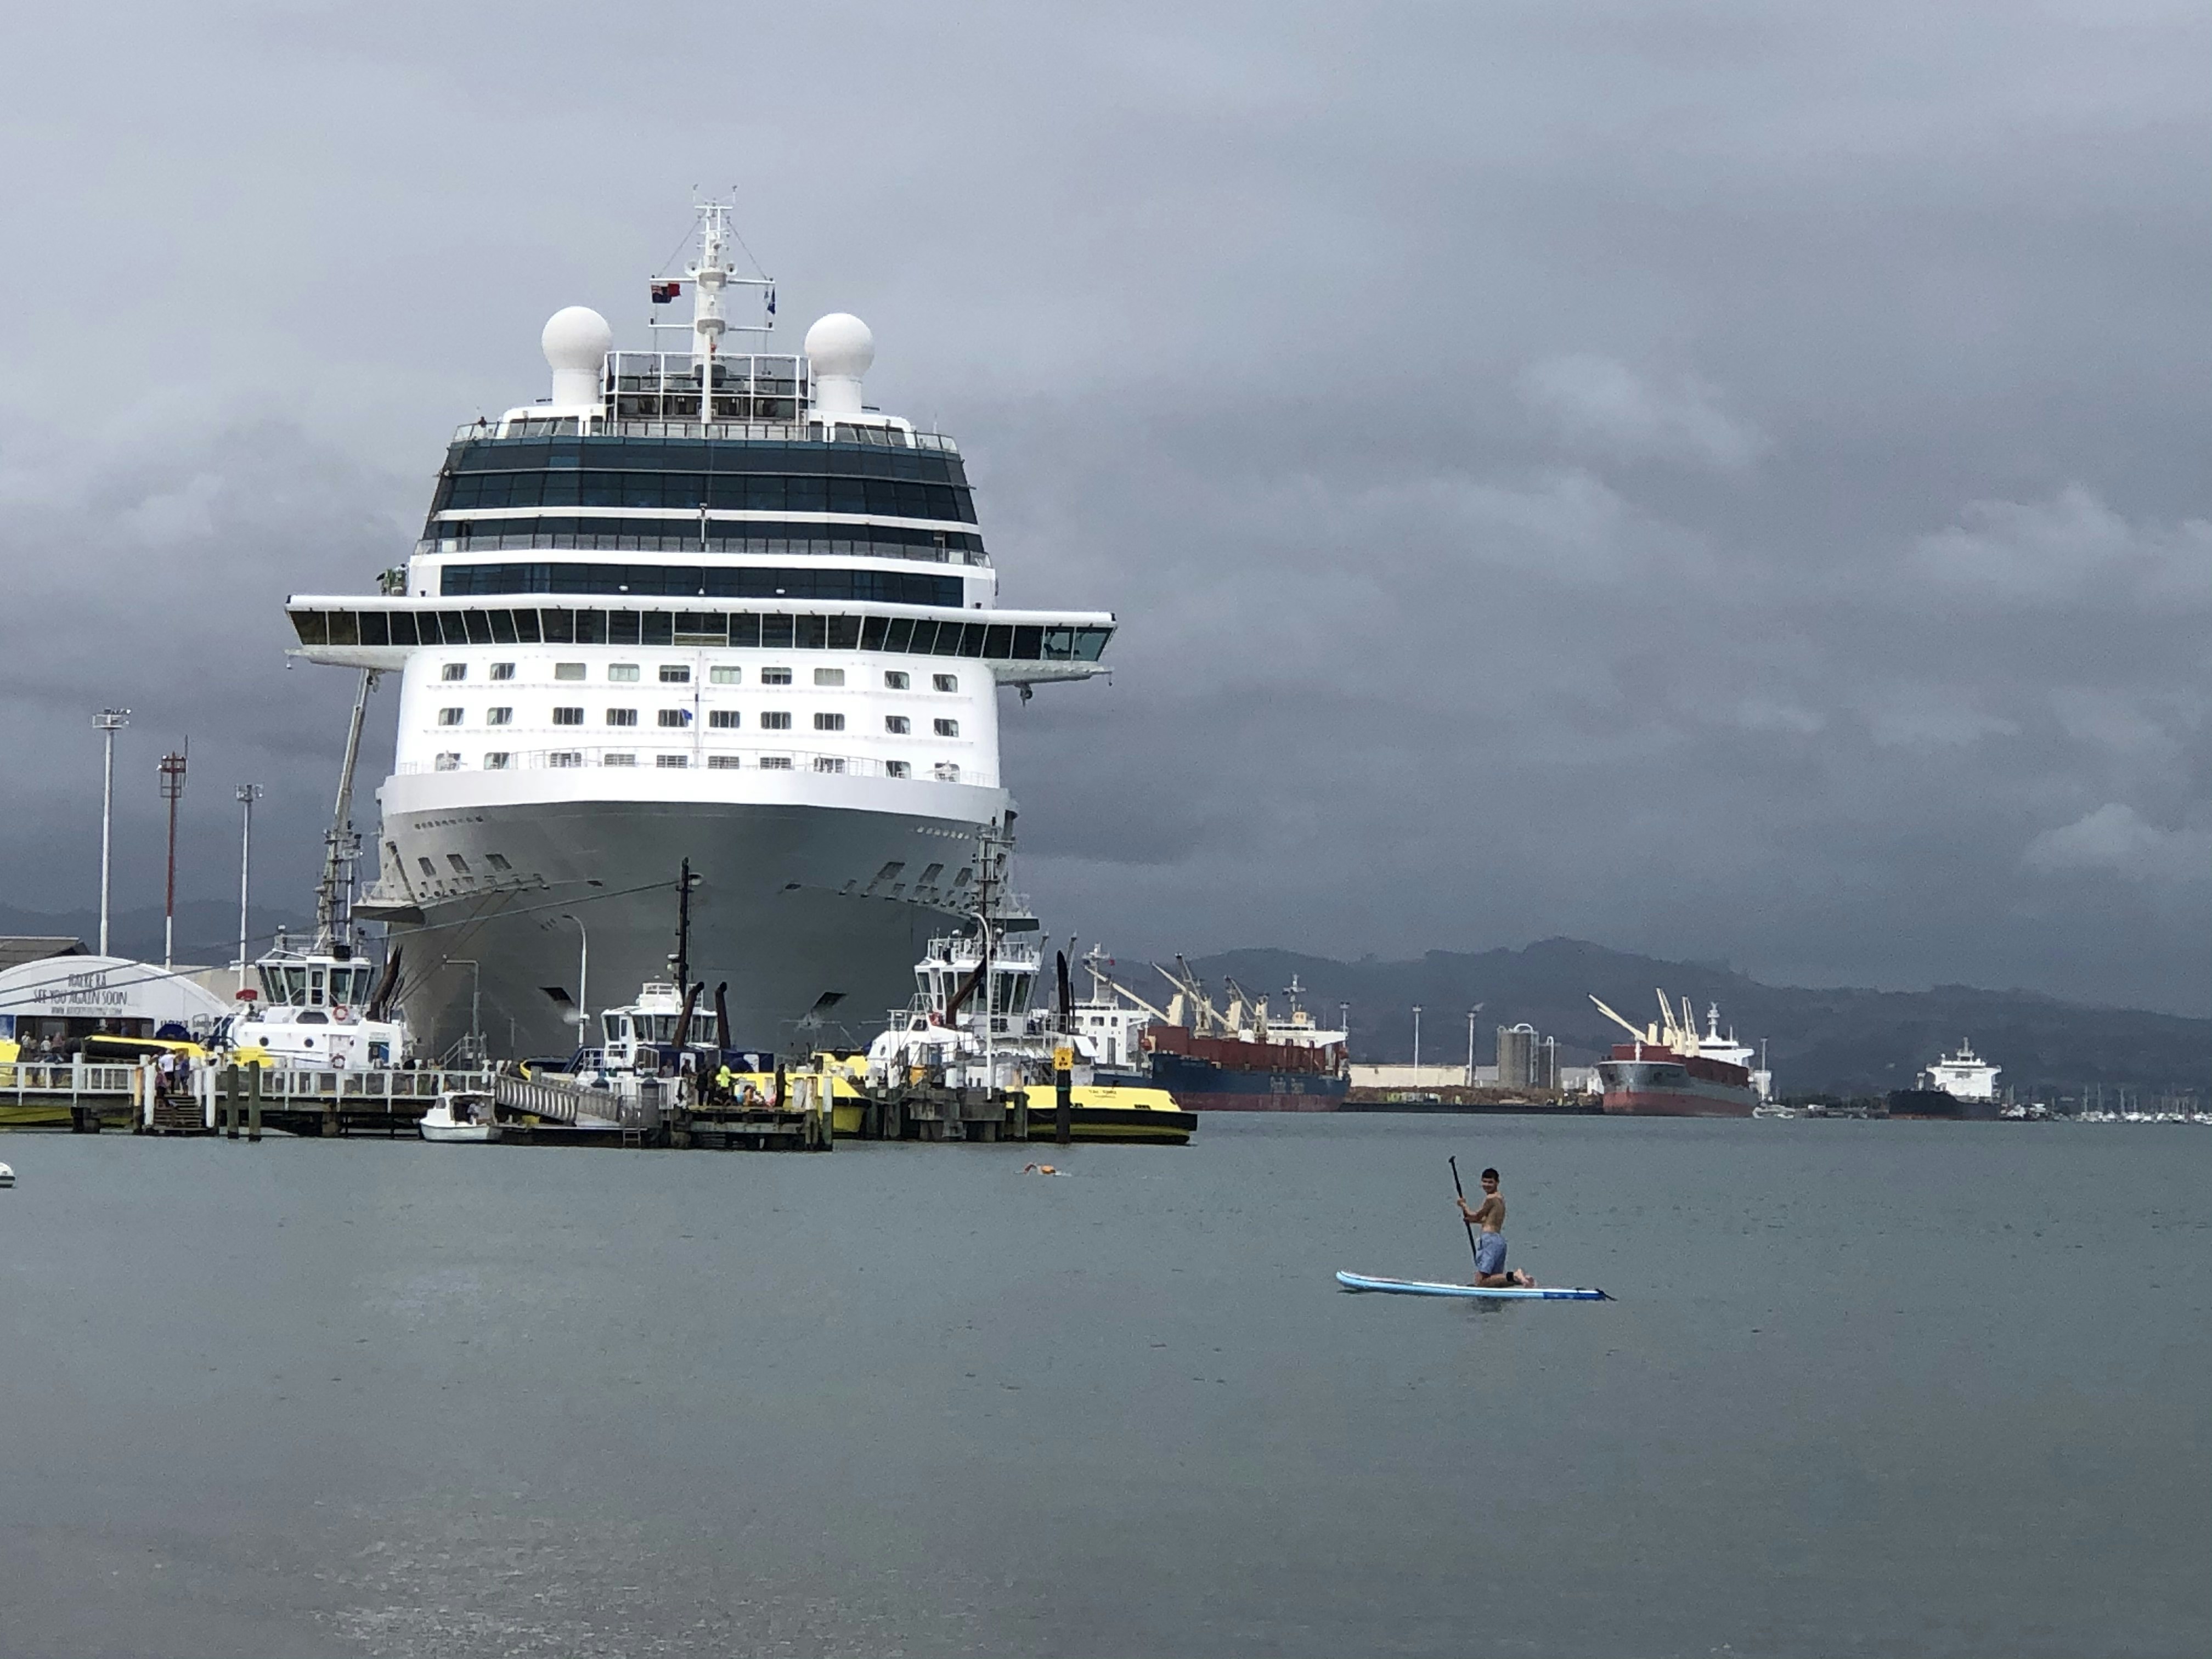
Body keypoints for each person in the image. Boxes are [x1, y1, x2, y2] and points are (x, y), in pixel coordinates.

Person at [1457, 1166, 1536, 1288]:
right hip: (1499, 1241)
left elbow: (1476, 1215)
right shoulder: (1500, 1198)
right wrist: (1472, 1221)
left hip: (1489, 1240)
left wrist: (1463, 1205)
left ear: (1497, 1183)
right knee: (1494, 1282)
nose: (1487, 1185)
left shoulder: (1491, 1198)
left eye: (1490, 1182)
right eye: (1484, 1181)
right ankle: (1521, 1280)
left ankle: (1516, 1276)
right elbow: (1486, 1220)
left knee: (1482, 1282)